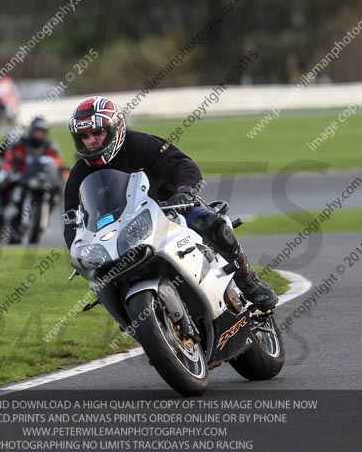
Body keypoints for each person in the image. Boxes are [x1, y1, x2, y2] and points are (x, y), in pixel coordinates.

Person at [63, 96, 277, 312]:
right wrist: (78, 250)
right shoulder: (78, 174)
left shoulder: (140, 144)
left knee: (212, 224)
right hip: (121, 234)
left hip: (171, 211)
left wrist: (184, 192)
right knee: (101, 279)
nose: (90, 141)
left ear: (115, 129)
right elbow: (71, 221)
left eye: (97, 133)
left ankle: (248, 280)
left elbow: (182, 164)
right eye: (84, 136)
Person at [0, 117, 65, 242]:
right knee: (3, 188)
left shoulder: (49, 146)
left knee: (57, 193)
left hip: (41, 180)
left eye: (42, 132)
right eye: (37, 131)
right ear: (32, 130)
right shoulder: (21, 143)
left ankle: (44, 219)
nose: (39, 134)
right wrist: (9, 170)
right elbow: (9, 158)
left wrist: (61, 172)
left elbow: (58, 163)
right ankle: (0, 215)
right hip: (21, 176)